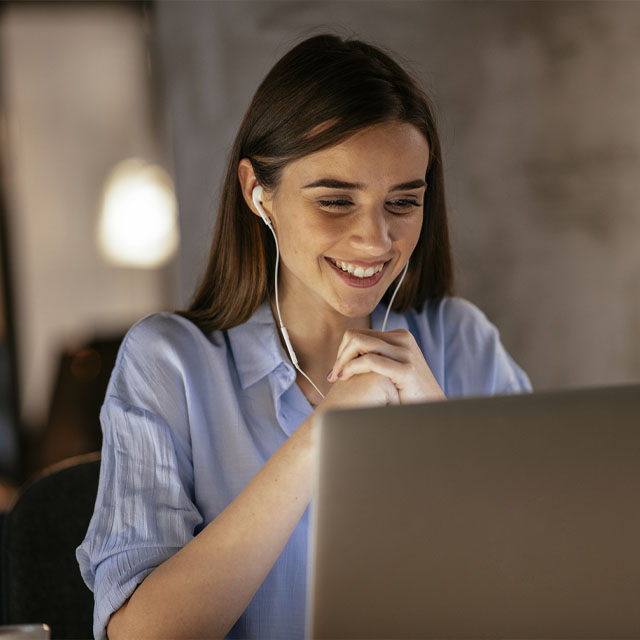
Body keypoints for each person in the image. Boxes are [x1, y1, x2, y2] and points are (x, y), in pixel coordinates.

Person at [77, 33, 531, 640]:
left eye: (402, 202)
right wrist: (324, 436)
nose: (376, 240)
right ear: (257, 193)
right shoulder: (170, 364)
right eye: (336, 201)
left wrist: (438, 435)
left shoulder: (463, 343)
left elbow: (541, 591)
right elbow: (146, 635)